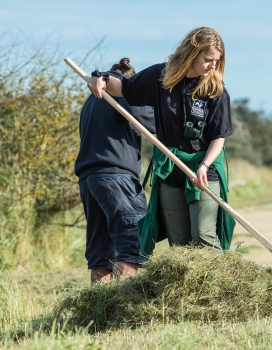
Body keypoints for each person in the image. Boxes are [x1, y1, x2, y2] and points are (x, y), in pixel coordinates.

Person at [88, 27, 235, 256]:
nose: (212, 66)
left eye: (217, 61)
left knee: (203, 237)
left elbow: (219, 137)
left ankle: (216, 290)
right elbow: (125, 89)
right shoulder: (160, 77)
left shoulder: (215, 90)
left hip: (204, 171)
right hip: (169, 170)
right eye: (208, 60)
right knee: (179, 244)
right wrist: (101, 78)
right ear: (191, 54)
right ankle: (185, 292)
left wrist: (205, 166)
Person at [75, 58, 155, 282]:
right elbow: (156, 122)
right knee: (133, 241)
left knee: (102, 253)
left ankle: (99, 312)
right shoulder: (123, 92)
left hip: (89, 180)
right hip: (116, 178)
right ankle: (123, 309)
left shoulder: (90, 101)